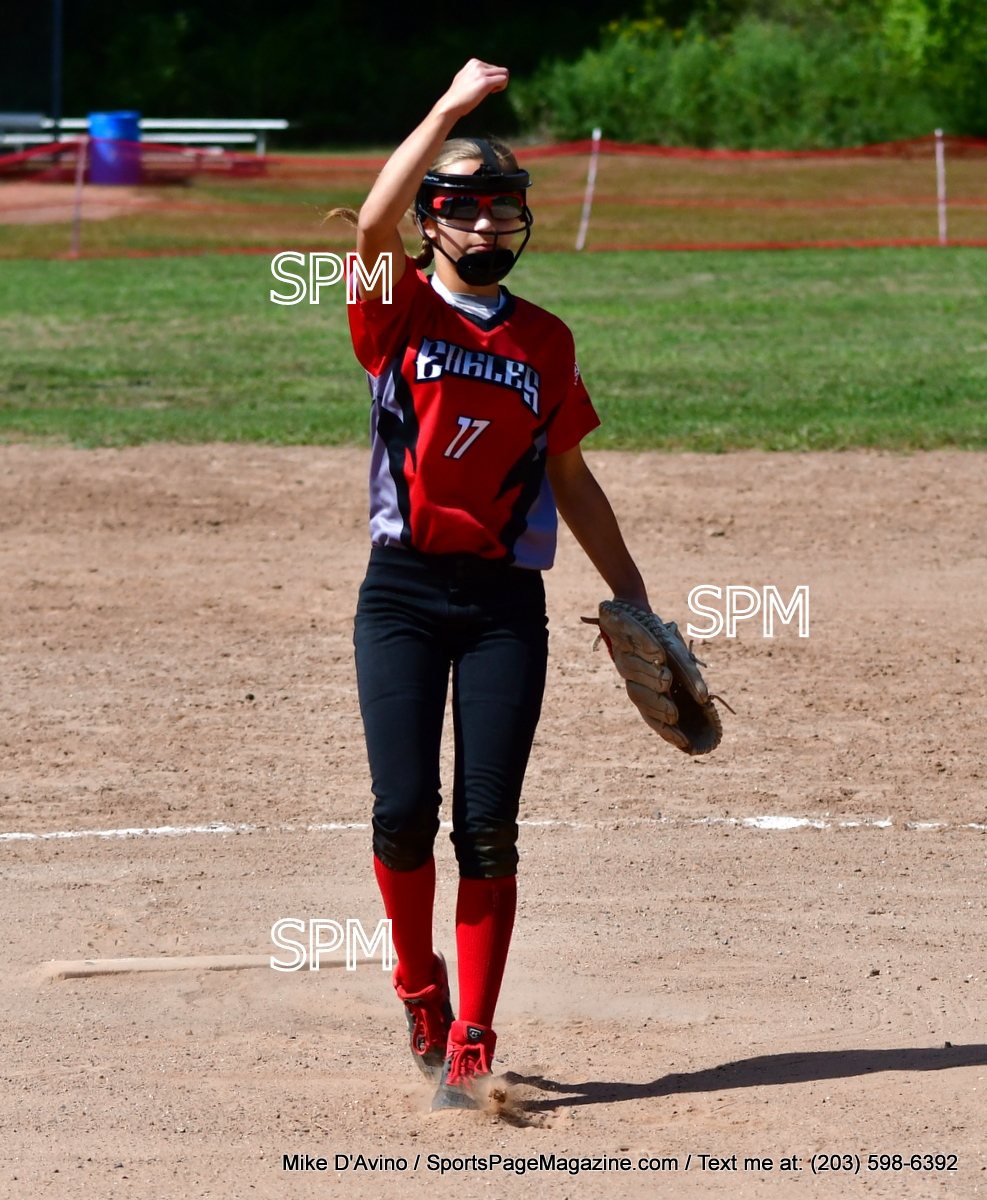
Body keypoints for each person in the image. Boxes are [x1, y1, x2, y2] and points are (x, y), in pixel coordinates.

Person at [343, 58, 651, 1111]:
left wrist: (631, 596)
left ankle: (473, 1035)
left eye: (501, 207)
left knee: (486, 826)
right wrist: (448, 109)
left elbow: (571, 475)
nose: (485, 224)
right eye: (465, 208)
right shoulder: (395, 311)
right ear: (433, 222)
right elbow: (369, 224)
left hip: (503, 608)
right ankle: (418, 985)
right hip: (401, 594)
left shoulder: (545, 340)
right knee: (402, 812)